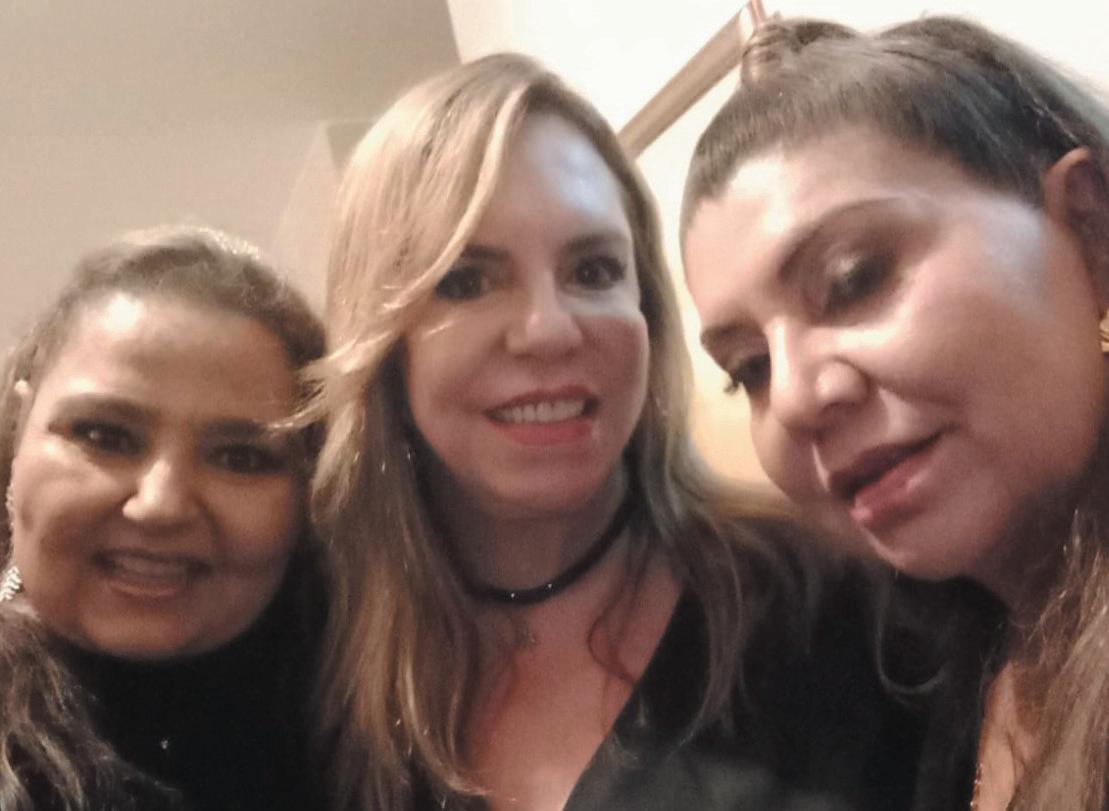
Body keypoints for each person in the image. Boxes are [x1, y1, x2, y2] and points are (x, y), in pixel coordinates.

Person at [309, 53, 976, 811]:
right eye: (466, 280)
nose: (548, 329)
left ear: (648, 313)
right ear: (383, 341)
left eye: (593, 270)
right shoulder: (325, 672)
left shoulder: (839, 604)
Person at [681, 14, 1109, 811]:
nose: (796, 398)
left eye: (853, 279)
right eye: (749, 367)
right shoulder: (939, 667)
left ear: (1088, 231)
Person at [0, 226, 327, 810]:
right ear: (19, 432)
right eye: (104, 435)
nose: (160, 505)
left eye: (240, 458)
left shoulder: (382, 749)